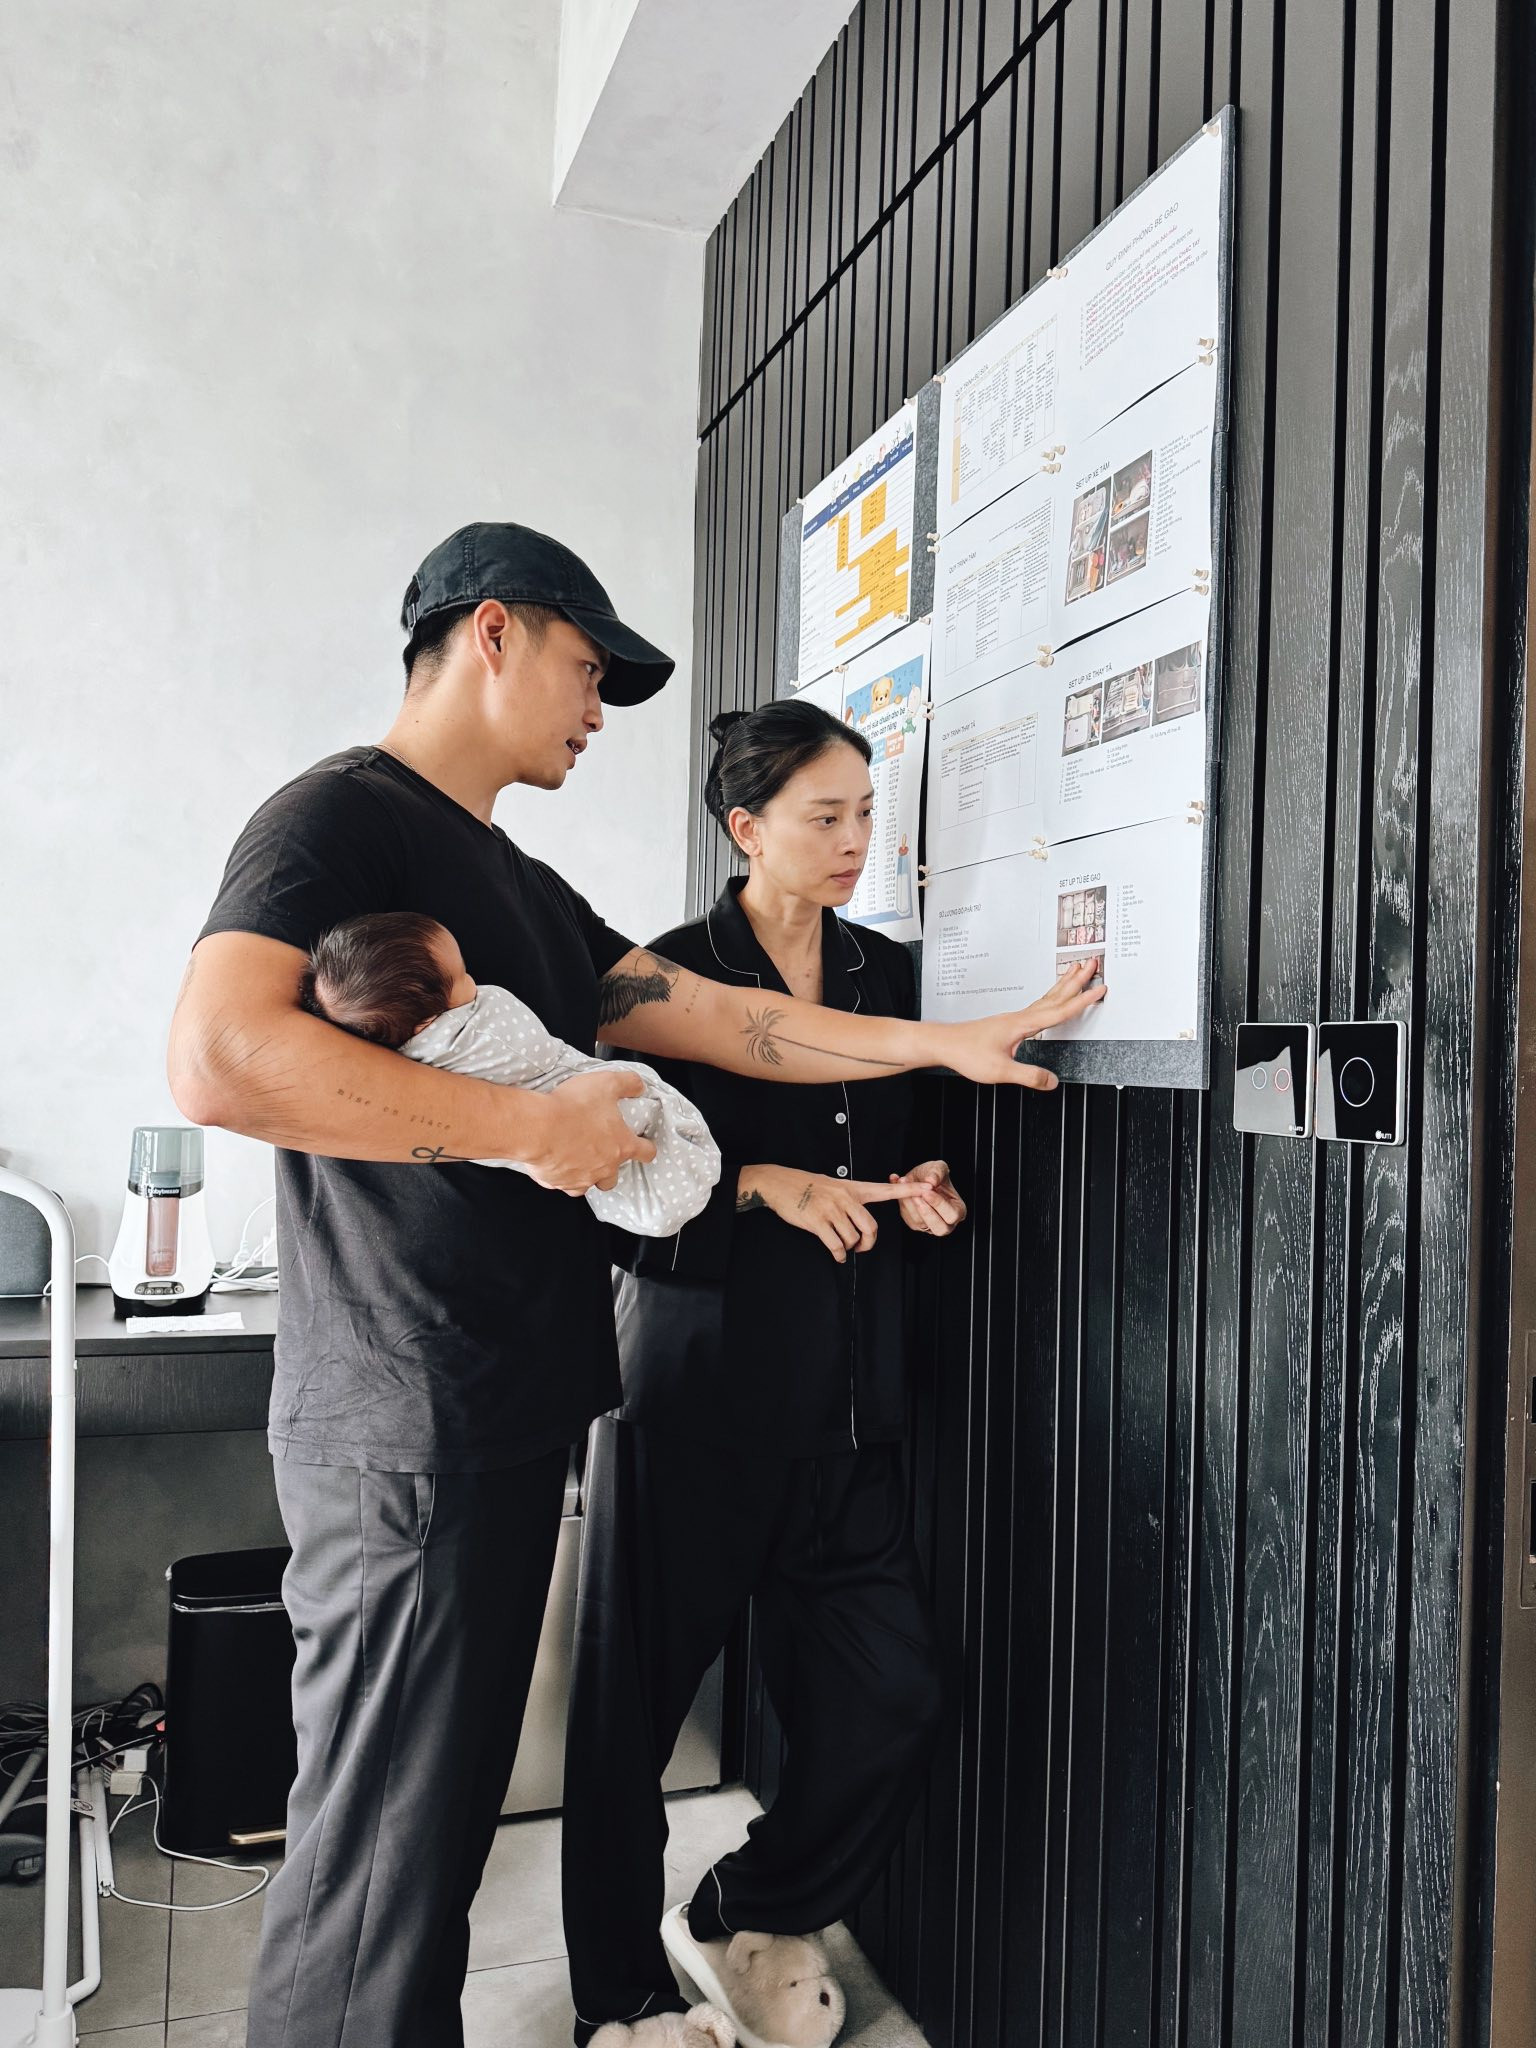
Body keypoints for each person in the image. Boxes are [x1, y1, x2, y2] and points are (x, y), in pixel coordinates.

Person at [167, 521, 1106, 2048]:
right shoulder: (339, 817)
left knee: (431, 1855)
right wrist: (530, 1129)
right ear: (491, 632)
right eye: (588, 668)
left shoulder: (520, 885)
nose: (600, 710)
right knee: (381, 1868)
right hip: (409, 1418)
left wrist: (945, 1042)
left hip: (503, 1410)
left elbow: (729, 1024)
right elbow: (220, 1058)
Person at [560, 700, 1100, 2048]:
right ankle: (619, 2004)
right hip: (692, 1403)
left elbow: (902, 1146)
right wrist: (764, 1185)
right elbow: (602, 1193)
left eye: (867, 811)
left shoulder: (889, 978)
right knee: (627, 1724)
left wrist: (921, 1188)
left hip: (852, 1407)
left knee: (896, 1691)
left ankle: (748, 1904)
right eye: (827, 815)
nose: (860, 838)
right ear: (746, 828)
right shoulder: (661, 981)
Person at [300, 910, 721, 1235]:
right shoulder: (479, 1031)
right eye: (462, 976)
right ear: (427, 1022)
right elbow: (535, 1054)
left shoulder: (402, 1063)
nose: (475, 980)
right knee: (638, 1118)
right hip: (572, 1106)